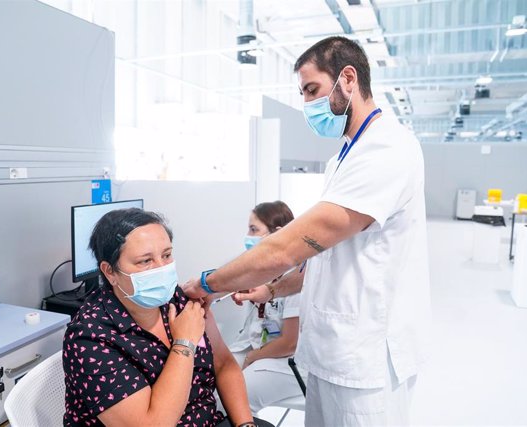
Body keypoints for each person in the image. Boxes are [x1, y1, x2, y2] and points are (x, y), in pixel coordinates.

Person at [183, 36, 430, 426]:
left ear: (348, 78)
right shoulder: (341, 160)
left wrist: (206, 284)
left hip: (366, 361)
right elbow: (324, 257)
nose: (307, 105)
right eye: (302, 94)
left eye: (312, 90)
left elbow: (288, 248)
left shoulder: (388, 149)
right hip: (329, 353)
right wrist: (271, 290)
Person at [62, 208, 269, 427]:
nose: (162, 268)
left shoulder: (178, 301)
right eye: (145, 261)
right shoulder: (91, 337)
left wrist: (245, 424)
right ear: (110, 272)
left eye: (167, 255)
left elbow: (224, 365)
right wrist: (184, 343)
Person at [227, 201, 306, 414]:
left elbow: (290, 343)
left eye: (254, 229)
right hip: (263, 348)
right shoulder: (265, 271)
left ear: (277, 233)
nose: (248, 235)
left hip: (289, 360)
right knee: (213, 378)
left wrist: (253, 358)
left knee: (236, 395)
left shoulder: (295, 278)